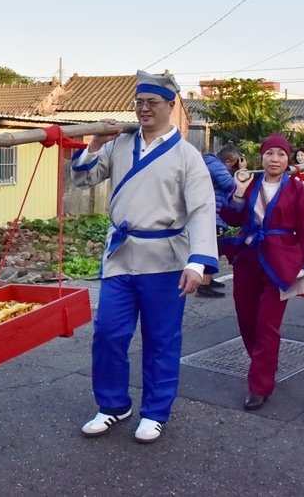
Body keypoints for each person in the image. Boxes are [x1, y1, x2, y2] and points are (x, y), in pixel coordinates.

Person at [72, 70, 216, 444]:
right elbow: (84, 178)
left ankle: (155, 411)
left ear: (171, 106)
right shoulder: (120, 144)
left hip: (165, 259)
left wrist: (197, 263)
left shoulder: (187, 156)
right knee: (107, 333)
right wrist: (92, 144)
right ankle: (113, 404)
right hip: (121, 255)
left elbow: (202, 209)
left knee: (161, 338)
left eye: (152, 103)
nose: (144, 109)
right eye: (139, 102)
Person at [219, 134, 304, 411]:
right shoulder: (250, 183)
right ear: (262, 157)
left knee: (268, 325)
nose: (275, 159)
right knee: (246, 320)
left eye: (281, 154)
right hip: (248, 259)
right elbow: (231, 217)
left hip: (281, 263)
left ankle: (259, 385)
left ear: (288, 159)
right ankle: (264, 364)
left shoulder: (297, 190)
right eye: (270, 154)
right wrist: (237, 192)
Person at [201, 143, 245, 297]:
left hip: (213, 211)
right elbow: (231, 185)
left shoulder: (211, 163)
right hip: (214, 213)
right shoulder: (216, 166)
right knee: (215, 248)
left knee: (216, 247)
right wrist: (241, 171)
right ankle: (203, 284)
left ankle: (208, 279)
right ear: (229, 162)